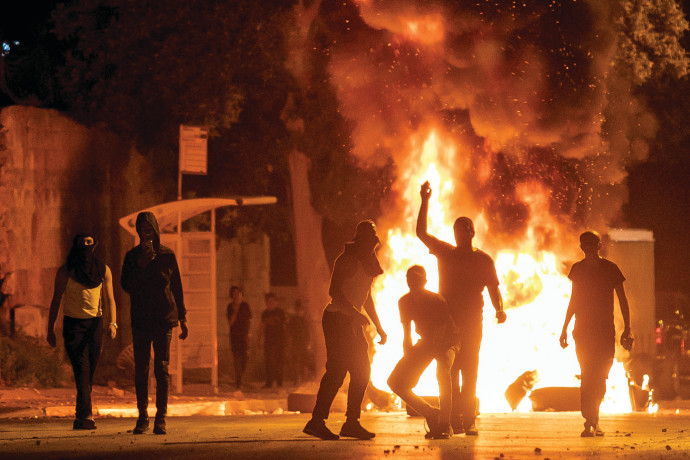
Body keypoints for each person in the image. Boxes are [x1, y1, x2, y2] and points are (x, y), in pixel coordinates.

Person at [416, 181, 506, 435]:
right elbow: (421, 234)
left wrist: (499, 309)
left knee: (470, 371)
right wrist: (424, 201)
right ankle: (453, 418)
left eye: (463, 230)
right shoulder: (446, 252)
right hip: (447, 324)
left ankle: (470, 419)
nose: (458, 234)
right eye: (455, 230)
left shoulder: (483, 259)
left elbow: (493, 288)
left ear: (472, 232)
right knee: (449, 373)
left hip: (472, 323)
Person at [303, 220, 388, 441]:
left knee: (362, 371)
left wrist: (379, 326)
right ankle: (316, 421)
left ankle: (351, 423)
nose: (372, 243)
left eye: (373, 239)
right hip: (337, 320)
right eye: (368, 238)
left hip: (351, 322)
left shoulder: (369, 261)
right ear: (360, 239)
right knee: (337, 371)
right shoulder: (347, 260)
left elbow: (366, 296)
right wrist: (353, 313)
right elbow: (334, 292)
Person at [559, 230, 632, 437]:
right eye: (584, 244)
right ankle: (589, 420)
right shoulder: (577, 270)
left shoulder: (611, 269)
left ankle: (594, 418)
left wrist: (628, 328)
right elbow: (574, 300)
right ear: (581, 247)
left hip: (604, 332)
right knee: (587, 376)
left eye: (591, 243)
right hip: (583, 332)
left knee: (600, 377)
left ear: (598, 246)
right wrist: (564, 327)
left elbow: (623, 300)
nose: (588, 247)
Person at [121, 212, 188, 435]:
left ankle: (161, 418)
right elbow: (126, 285)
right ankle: (142, 417)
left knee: (161, 368)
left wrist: (183, 318)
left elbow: (176, 287)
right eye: (142, 231)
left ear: (156, 231)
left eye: (149, 231)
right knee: (141, 369)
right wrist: (141, 265)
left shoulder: (167, 255)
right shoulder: (132, 257)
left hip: (163, 319)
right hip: (141, 319)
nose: (145, 235)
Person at [47, 234, 117, 430]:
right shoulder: (66, 271)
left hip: (95, 325)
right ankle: (86, 415)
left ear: (94, 247)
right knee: (82, 370)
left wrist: (113, 323)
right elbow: (55, 301)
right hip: (73, 327)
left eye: (90, 244)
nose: (86, 248)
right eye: (83, 244)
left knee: (89, 371)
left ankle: (80, 415)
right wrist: (50, 329)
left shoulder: (103, 270)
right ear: (76, 247)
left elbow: (110, 299)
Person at [387, 265, 459, 439]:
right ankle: (431, 413)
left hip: (448, 342)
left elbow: (443, 330)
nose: (413, 282)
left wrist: (427, 353)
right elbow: (407, 332)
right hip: (427, 341)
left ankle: (444, 424)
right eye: (410, 279)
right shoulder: (404, 301)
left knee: (442, 373)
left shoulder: (436, 300)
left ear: (425, 281)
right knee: (395, 382)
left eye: (417, 279)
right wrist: (409, 356)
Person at [258, 292, 286, 388]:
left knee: (279, 361)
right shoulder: (265, 313)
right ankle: (269, 382)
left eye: (271, 301)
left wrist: (286, 340)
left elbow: (285, 326)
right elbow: (262, 327)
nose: (269, 303)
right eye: (267, 301)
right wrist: (259, 339)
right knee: (269, 361)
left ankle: (279, 382)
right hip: (269, 341)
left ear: (275, 301)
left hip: (279, 341)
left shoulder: (280, 312)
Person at [227, 285, 252, 388]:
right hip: (235, 336)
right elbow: (230, 322)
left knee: (244, 357)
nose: (236, 295)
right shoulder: (230, 307)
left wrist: (249, 333)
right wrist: (235, 310)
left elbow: (250, 320)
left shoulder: (245, 305)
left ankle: (241, 377)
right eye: (234, 294)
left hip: (244, 335)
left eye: (238, 293)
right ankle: (238, 380)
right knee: (236, 357)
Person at [287, 299, 314, 384]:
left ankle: (301, 378)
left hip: (302, 343)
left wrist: (309, 342)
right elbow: (289, 331)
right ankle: (297, 379)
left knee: (302, 361)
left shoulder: (303, 320)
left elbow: (308, 331)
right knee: (296, 361)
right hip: (296, 343)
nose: (299, 311)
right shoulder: (293, 319)